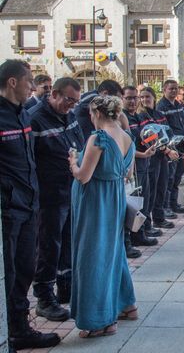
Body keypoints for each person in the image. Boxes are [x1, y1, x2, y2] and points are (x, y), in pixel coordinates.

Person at [0, 60, 61, 350]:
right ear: (12, 82)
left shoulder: (23, 114)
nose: (33, 88)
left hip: (29, 204)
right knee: (9, 272)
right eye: (28, 82)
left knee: (25, 268)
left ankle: (21, 328)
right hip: (8, 209)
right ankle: (11, 330)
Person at [68, 95, 137, 338]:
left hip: (95, 202)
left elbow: (84, 176)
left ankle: (99, 320)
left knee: (92, 256)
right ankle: (126, 304)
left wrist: (73, 162)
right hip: (115, 198)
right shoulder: (128, 138)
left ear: (97, 113)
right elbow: (127, 174)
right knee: (114, 251)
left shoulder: (98, 139)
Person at [30, 77, 84, 322]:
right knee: (49, 245)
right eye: (68, 100)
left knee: (68, 241)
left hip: (70, 188)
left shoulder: (70, 116)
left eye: (75, 101)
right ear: (54, 93)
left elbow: (79, 143)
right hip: (49, 194)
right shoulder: (35, 118)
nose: (71, 105)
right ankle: (44, 296)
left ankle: (65, 285)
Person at [122, 86, 160, 248]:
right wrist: (142, 155)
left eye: (134, 98)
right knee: (134, 202)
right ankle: (132, 238)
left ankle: (141, 232)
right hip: (133, 166)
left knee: (145, 199)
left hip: (145, 163)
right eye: (128, 98)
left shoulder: (137, 116)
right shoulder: (122, 118)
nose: (132, 101)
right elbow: (126, 146)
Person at [137, 87, 177, 231]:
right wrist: (166, 149)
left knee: (162, 186)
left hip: (163, 157)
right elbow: (149, 137)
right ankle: (148, 223)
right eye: (141, 97)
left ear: (154, 98)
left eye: (147, 96)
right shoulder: (141, 115)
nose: (144, 100)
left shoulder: (159, 114)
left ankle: (159, 218)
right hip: (151, 157)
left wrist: (172, 148)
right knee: (151, 191)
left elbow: (167, 132)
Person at [157, 80, 184, 216]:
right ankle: (166, 206)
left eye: (176, 89)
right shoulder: (161, 106)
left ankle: (174, 203)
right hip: (171, 146)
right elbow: (164, 128)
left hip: (181, 145)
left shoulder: (178, 104)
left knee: (177, 175)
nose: (174, 91)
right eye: (171, 89)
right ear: (164, 89)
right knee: (169, 177)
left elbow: (182, 122)